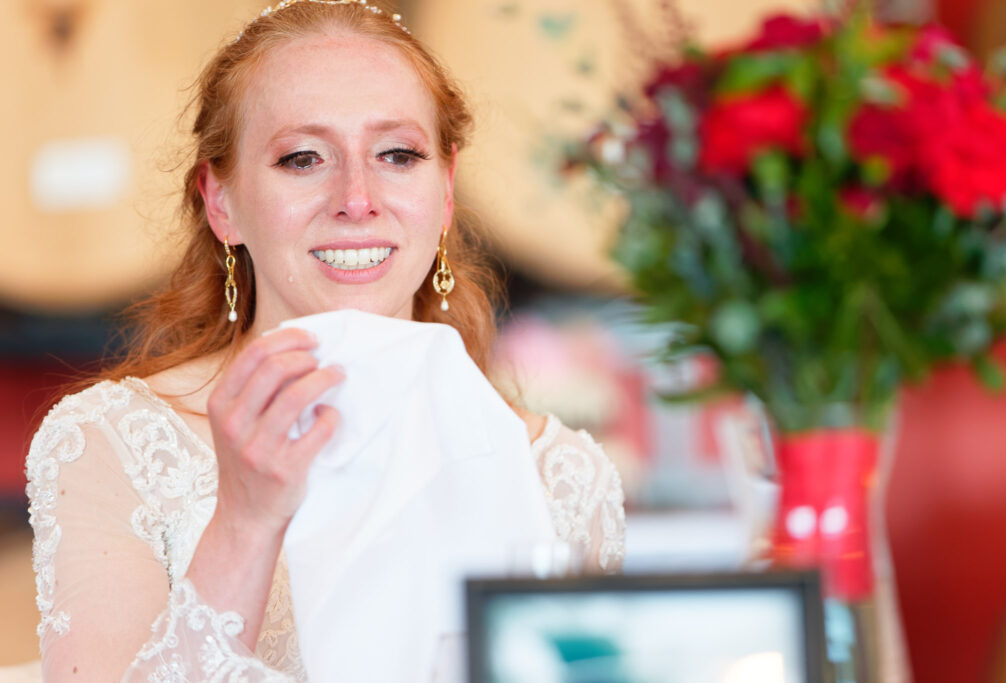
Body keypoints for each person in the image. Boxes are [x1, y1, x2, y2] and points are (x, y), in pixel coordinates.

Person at [24, 1, 626, 681]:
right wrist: (244, 524)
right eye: (303, 158)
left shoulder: (563, 478)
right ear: (221, 201)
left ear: (447, 191)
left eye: (398, 154)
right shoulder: (112, 446)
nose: (358, 198)